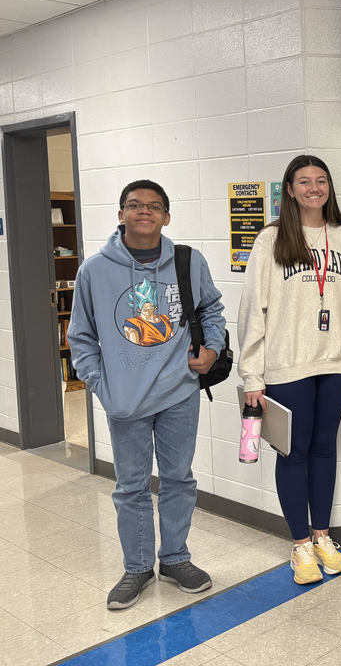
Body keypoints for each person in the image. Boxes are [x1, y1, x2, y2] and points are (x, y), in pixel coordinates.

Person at [68, 180, 226, 610]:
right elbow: (79, 337)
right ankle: (137, 567)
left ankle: (175, 558)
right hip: (126, 401)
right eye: (135, 205)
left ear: (166, 216)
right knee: (131, 487)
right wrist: (104, 387)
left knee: (178, 479)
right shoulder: (94, 271)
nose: (144, 212)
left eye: (154, 206)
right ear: (120, 215)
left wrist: (211, 349)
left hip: (180, 393)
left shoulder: (188, 262)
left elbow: (212, 307)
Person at [238, 155, 341, 584]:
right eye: (304, 181)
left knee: (325, 447)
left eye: (321, 181)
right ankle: (299, 546)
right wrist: (251, 375)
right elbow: (252, 310)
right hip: (286, 363)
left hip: (336, 361)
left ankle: (322, 537)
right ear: (290, 190)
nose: (314, 188)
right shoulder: (271, 239)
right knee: (293, 454)